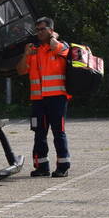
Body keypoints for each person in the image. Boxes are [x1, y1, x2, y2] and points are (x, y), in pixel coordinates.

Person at [17, 16, 71, 177]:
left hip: (57, 97)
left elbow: (57, 47)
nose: (39, 32)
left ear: (51, 30)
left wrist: (54, 37)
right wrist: (26, 54)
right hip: (38, 99)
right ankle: (41, 166)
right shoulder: (34, 50)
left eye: (43, 29)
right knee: (39, 133)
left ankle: (63, 166)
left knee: (58, 132)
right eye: (37, 30)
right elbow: (21, 70)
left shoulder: (61, 46)